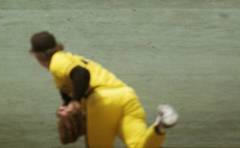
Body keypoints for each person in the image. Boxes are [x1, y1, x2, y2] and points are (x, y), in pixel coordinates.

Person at [30, 31, 179, 148]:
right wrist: (65, 108)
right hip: (126, 96)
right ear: (57, 45)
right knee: (139, 144)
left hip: (102, 101)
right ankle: (160, 125)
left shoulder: (57, 61)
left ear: (36, 55)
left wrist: (75, 102)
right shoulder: (67, 61)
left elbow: (81, 74)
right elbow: (69, 96)